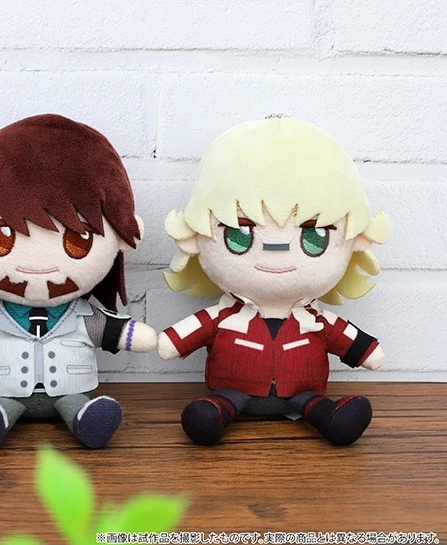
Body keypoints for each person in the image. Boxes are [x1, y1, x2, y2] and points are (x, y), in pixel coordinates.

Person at [0, 114, 157, 451]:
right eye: (1, 238)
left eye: (76, 241)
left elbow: (115, 331)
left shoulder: (83, 317)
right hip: (7, 392)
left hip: (70, 391)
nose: (38, 267)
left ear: (122, 238)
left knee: (77, 404)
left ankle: (84, 417)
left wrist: (134, 335)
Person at [158, 116, 391, 446]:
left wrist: (367, 352)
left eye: (314, 238)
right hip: (233, 390)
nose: (275, 250)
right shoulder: (223, 317)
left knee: (313, 403)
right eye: (240, 236)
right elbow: (175, 340)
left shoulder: (317, 322)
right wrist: (168, 342)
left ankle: (330, 419)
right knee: (213, 410)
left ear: (354, 241)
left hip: (302, 392)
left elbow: (362, 348)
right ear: (195, 237)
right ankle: (214, 413)